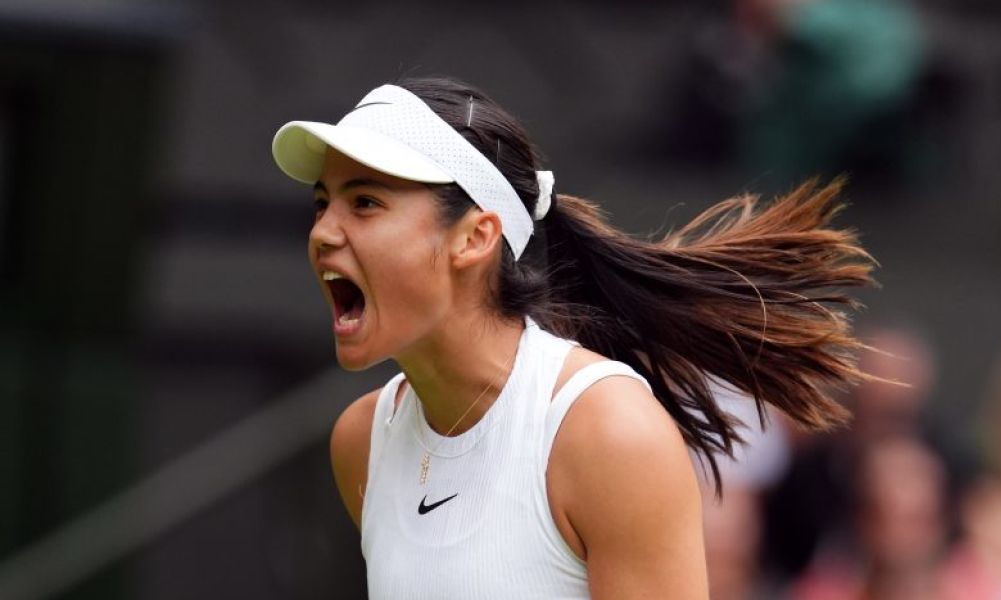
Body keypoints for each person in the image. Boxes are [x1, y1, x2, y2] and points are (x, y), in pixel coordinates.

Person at [270, 76, 876, 599]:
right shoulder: (360, 442)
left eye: (366, 202)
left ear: (475, 238)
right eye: (323, 204)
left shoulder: (608, 433)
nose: (324, 231)